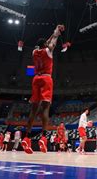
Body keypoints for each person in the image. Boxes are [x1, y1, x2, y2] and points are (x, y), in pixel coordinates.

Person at [22, 25, 64, 154]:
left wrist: (54, 33)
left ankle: (27, 137)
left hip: (36, 79)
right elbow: (52, 43)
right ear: (45, 44)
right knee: (46, 108)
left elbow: (46, 42)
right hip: (46, 78)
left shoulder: (34, 52)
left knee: (33, 109)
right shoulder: (49, 51)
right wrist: (56, 33)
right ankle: (44, 137)